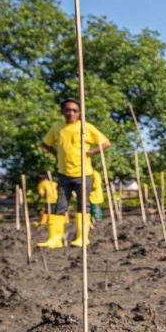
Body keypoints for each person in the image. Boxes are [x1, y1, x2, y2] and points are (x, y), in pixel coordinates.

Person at [37, 99, 110, 249]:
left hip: (84, 173)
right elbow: (45, 143)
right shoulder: (57, 128)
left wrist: (91, 152)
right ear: (62, 112)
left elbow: (106, 143)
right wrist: (56, 153)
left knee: (83, 205)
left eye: (75, 110)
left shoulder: (85, 127)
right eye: (68, 110)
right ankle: (54, 239)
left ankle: (82, 238)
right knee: (60, 205)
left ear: (79, 113)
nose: (71, 113)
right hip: (64, 173)